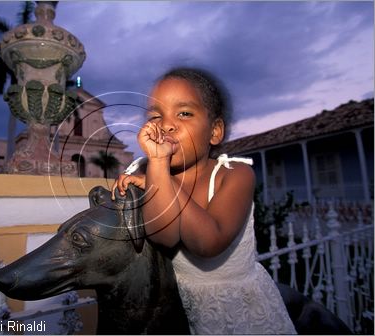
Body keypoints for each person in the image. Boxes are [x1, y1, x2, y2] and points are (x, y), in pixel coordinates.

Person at [112, 67, 296, 334]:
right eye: (155, 116)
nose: (166, 124)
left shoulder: (235, 175)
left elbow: (208, 243)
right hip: (173, 312)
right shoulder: (146, 170)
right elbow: (164, 237)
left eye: (184, 113)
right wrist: (158, 169)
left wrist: (162, 182)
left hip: (236, 315)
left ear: (214, 131)